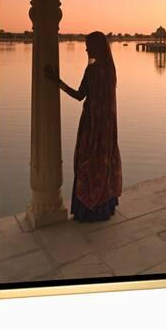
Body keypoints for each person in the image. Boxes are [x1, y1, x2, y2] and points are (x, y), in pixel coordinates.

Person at [44, 31, 122, 222]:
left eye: (88, 45)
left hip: (92, 125)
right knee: (103, 162)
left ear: (96, 47)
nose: (86, 48)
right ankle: (105, 205)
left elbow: (80, 96)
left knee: (87, 162)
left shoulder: (93, 70)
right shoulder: (110, 70)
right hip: (107, 127)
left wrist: (57, 81)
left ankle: (88, 209)